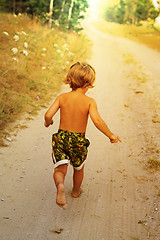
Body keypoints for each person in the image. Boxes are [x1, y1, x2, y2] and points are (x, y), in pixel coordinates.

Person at [44, 62, 121, 210]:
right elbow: (97, 121)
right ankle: (75, 191)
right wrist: (111, 135)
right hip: (78, 141)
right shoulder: (89, 102)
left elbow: (48, 114)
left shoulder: (62, 97)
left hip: (62, 138)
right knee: (79, 168)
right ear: (90, 83)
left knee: (60, 169)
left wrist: (48, 122)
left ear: (70, 79)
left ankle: (60, 185)